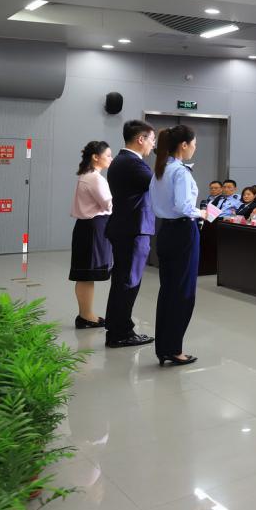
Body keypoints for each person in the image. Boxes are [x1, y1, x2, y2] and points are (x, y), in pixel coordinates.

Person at [150, 125, 203, 366]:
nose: (194, 148)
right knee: (183, 293)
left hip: (166, 231)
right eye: (194, 144)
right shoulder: (180, 171)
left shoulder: (160, 169)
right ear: (184, 145)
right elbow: (183, 206)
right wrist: (201, 212)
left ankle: (165, 347)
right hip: (183, 231)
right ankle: (174, 349)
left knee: (168, 290)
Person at [104, 120, 157, 349]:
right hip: (133, 230)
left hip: (126, 228)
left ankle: (117, 328)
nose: (153, 145)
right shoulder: (133, 163)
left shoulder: (122, 160)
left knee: (123, 280)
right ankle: (121, 332)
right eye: (152, 140)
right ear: (140, 139)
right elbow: (159, 186)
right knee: (128, 281)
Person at [69, 140, 114, 328]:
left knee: (85, 273)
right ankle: (86, 316)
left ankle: (85, 314)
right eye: (108, 155)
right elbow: (108, 204)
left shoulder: (87, 176)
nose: (111, 158)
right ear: (95, 157)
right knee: (86, 274)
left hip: (87, 227)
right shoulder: (94, 178)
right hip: (93, 227)